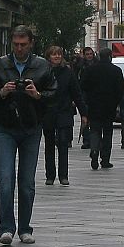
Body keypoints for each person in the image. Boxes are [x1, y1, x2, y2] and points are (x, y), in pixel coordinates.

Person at [0, 26, 58, 245]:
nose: (19, 48)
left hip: (30, 128)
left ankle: (25, 228)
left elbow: (54, 94)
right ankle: (6, 228)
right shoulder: (0, 65)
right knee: (6, 180)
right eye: (16, 44)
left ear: (31, 43)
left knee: (26, 182)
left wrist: (37, 95)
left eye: (23, 44)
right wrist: (1, 92)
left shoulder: (42, 66)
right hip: (5, 127)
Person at [41, 45, 83, 186]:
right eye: (54, 54)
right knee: (49, 144)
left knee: (63, 143)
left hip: (64, 111)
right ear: (48, 57)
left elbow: (76, 93)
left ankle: (63, 175)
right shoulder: (44, 71)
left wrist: (83, 112)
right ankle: (50, 175)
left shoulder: (68, 72)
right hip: (48, 111)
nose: (57, 56)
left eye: (59, 54)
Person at [80, 47, 124, 170]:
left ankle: (94, 150)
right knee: (107, 132)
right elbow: (120, 91)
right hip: (109, 107)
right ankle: (105, 159)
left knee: (95, 130)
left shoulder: (90, 69)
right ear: (110, 57)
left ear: (99, 56)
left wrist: (88, 99)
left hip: (94, 106)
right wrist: (116, 103)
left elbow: (83, 85)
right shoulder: (116, 71)